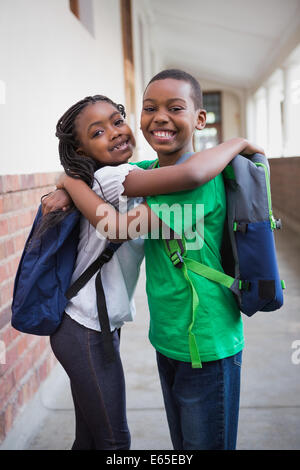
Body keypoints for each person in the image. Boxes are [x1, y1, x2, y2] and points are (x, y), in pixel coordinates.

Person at [41, 90, 261, 451]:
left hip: (95, 323)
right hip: (83, 324)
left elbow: (185, 174)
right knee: (113, 441)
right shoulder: (116, 177)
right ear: (81, 151)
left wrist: (69, 183)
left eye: (116, 121)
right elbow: (189, 174)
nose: (113, 132)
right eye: (97, 133)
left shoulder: (134, 173)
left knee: (92, 437)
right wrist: (237, 142)